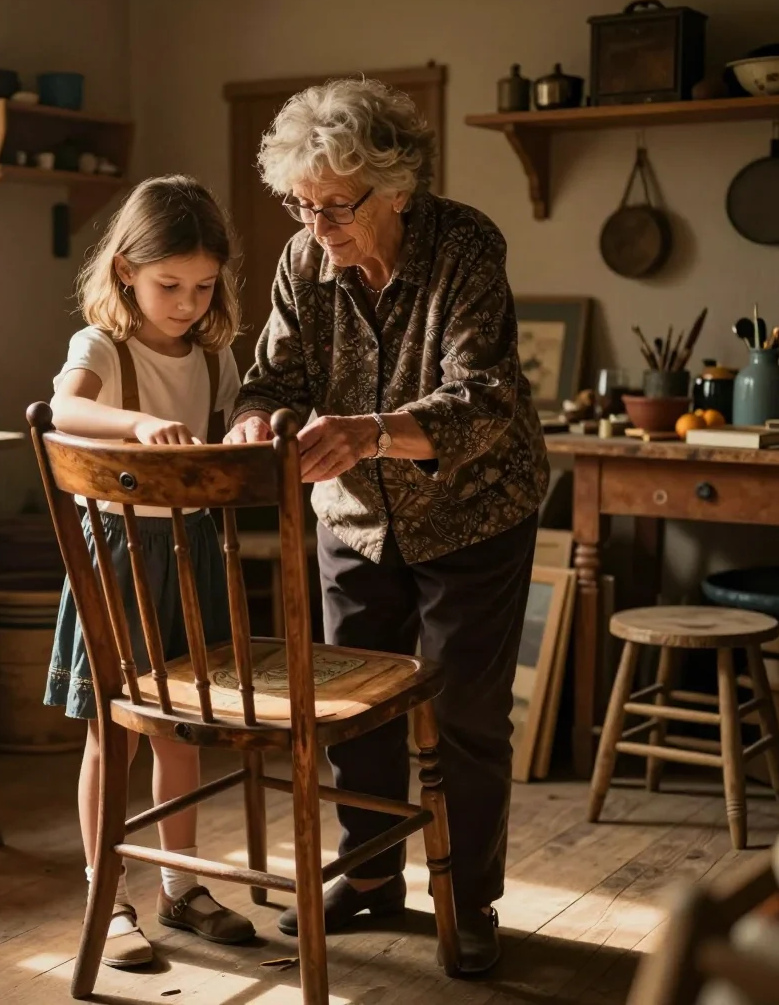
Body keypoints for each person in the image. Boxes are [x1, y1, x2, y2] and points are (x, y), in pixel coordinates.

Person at [226, 79, 550, 974]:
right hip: (356, 518)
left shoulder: (467, 246)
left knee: (463, 715)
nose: (317, 226)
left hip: (473, 510)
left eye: (336, 205)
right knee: (354, 712)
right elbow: (272, 378)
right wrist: (255, 420)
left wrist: (369, 432)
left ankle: (468, 898)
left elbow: (483, 396)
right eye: (301, 204)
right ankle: (370, 879)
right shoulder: (303, 260)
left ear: (397, 189)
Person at [46, 175, 254, 968]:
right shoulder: (101, 347)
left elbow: (238, 413)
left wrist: (247, 430)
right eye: (170, 285)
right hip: (119, 559)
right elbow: (63, 409)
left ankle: (183, 888)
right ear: (127, 269)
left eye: (204, 287)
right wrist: (135, 422)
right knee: (116, 732)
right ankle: (112, 892)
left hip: (192, 554)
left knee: (181, 726)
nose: (188, 303)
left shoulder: (214, 352)